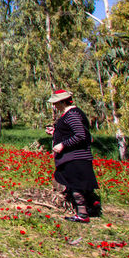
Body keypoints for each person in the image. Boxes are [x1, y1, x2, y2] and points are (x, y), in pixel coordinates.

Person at [46, 89, 100, 223]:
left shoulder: (72, 114)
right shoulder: (73, 113)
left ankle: (82, 215)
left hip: (75, 156)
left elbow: (81, 135)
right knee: (76, 182)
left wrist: (62, 145)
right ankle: (93, 203)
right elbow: (72, 132)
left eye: (56, 103)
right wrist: (55, 132)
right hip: (75, 156)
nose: (55, 106)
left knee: (75, 185)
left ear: (63, 101)